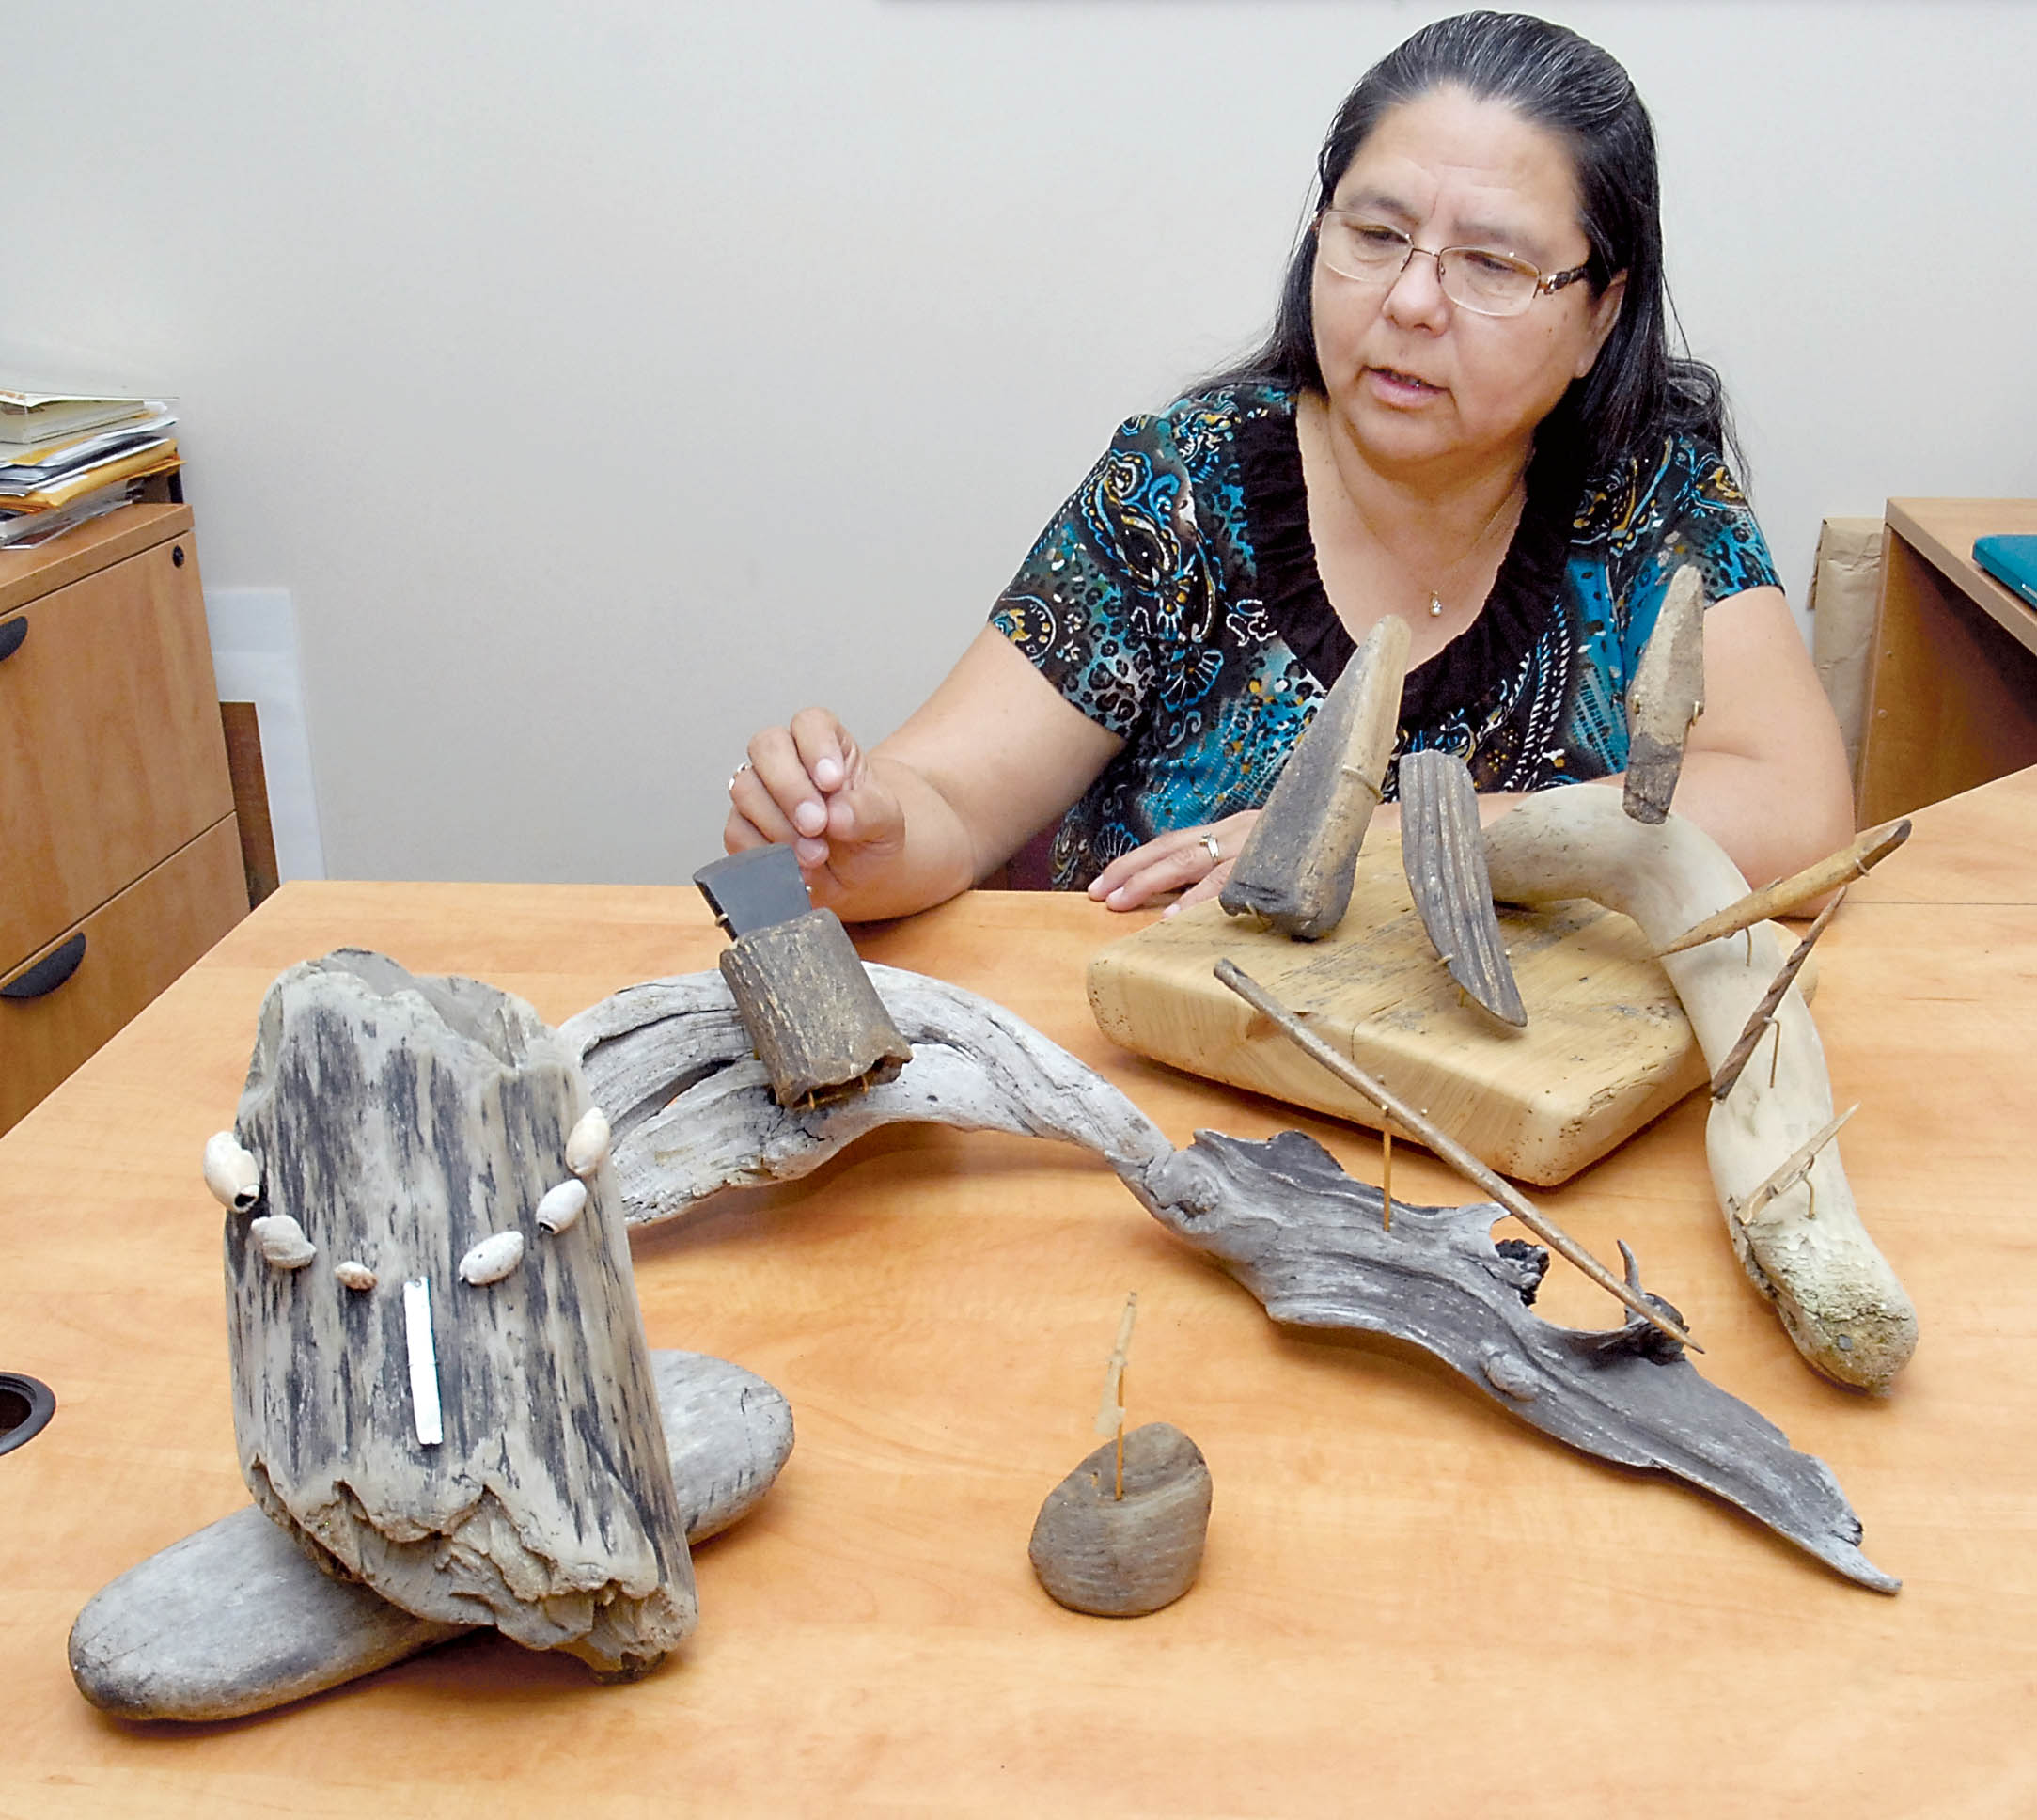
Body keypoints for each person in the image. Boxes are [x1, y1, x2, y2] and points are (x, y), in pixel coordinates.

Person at [726, 10, 1852, 922]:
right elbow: (947, 802)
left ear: (1600, 316)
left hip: (1499, 1101)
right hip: (1160, 1086)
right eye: (1373, 236)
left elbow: (1795, 809)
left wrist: (1379, 831)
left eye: (1492, 263)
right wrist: (856, 834)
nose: (1410, 302)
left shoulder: (1648, 498)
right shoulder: (1180, 488)